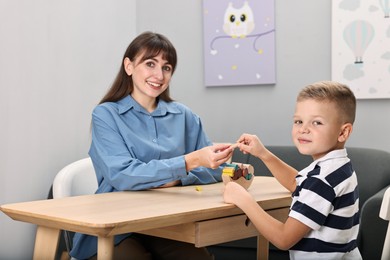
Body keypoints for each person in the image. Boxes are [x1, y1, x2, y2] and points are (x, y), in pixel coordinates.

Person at [69, 31, 234, 260]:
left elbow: (216, 169)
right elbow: (123, 174)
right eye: (150, 64)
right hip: (118, 225)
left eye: (166, 67)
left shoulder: (185, 116)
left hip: (169, 223)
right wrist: (189, 162)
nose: (159, 75)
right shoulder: (106, 115)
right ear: (129, 66)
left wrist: (179, 178)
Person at [223, 81, 362, 259]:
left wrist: (244, 200)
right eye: (298, 121)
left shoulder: (321, 181)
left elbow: (283, 238)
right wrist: (263, 154)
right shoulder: (337, 168)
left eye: (317, 122)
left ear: (343, 132)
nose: (303, 129)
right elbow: (296, 183)